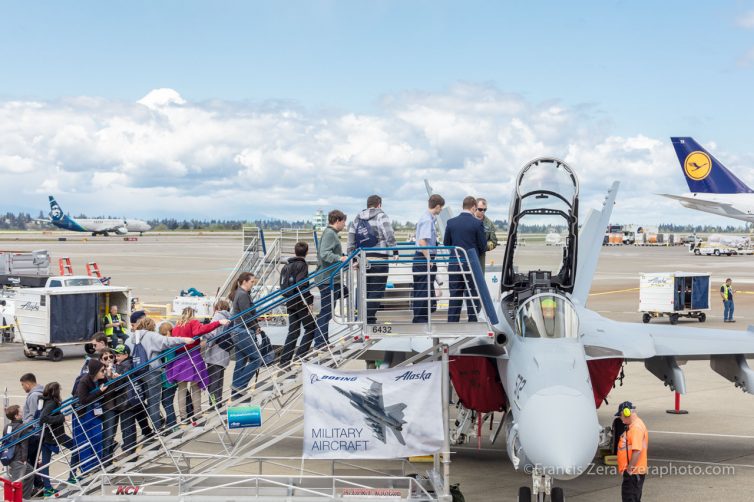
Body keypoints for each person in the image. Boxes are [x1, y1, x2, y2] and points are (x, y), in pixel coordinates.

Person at [126, 316, 193, 432]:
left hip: (138, 372)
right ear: (151, 326)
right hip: (152, 371)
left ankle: (153, 427)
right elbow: (167, 341)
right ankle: (158, 428)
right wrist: (184, 339)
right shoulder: (151, 336)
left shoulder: (132, 337)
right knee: (154, 402)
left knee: (145, 400)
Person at [166, 307, 228, 425]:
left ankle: (183, 417)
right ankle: (197, 414)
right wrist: (218, 322)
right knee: (196, 388)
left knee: (182, 390)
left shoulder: (177, 326)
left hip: (179, 360)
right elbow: (200, 331)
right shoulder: (193, 322)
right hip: (193, 358)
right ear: (193, 314)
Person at [347, 195, 397, 324]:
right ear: (379, 204)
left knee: (365, 290)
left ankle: (364, 318)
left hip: (363, 260)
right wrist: (395, 250)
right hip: (379, 259)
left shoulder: (357, 218)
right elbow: (389, 234)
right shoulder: (381, 215)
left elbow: (351, 240)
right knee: (377, 290)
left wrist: (352, 259)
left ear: (368, 204)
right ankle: (367, 319)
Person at [444, 196, 486, 322]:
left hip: (455, 263)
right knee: (473, 294)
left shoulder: (451, 223)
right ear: (473, 207)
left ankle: (452, 322)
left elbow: (447, 244)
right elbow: (482, 246)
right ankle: (472, 321)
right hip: (471, 264)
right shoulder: (477, 223)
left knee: (455, 294)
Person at [314, 210, 348, 348]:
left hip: (331, 279)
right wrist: (340, 258)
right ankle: (320, 342)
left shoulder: (332, 234)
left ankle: (322, 340)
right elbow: (324, 254)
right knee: (326, 312)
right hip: (327, 279)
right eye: (344, 222)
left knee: (345, 293)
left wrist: (347, 262)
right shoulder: (330, 234)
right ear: (338, 220)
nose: (345, 225)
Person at [279, 242, 316, 367]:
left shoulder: (287, 266)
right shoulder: (302, 265)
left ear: (295, 251)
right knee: (311, 328)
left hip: (290, 301)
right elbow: (301, 284)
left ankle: (284, 361)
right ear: (307, 252)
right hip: (300, 302)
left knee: (293, 332)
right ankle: (300, 356)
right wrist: (309, 301)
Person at [230, 272, 264, 401]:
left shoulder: (240, 294)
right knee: (257, 359)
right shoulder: (243, 295)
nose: (253, 285)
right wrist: (256, 327)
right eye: (252, 282)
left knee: (240, 363)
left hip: (238, 331)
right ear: (244, 281)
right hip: (242, 332)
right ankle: (239, 385)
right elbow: (246, 315)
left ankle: (235, 393)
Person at [38, 382, 76, 495]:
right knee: (76, 448)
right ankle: (72, 476)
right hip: (56, 435)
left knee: (45, 462)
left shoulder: (45, 401)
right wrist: (62, 417)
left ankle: (47, 488)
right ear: (56, 391)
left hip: (47, 435)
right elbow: (43, 418)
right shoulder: (51, 403)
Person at [412, 194, 445, 323]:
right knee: (422, 290)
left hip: (423, 257)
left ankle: (424, 315)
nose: (441, 210)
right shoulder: (427, 220)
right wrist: (428, 259)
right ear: (437, 206)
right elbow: (422, 242)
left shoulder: (428, 219)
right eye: (441, 207)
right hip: (423, 257)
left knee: (425, 288)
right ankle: (420, 319)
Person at [73, 359, 108, 473]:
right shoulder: (84, 381)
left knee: (97, 438)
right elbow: (83, 400)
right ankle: (86, 468)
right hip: (83, 414)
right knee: (84, 442)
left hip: (95, 413)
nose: (104, 372)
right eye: (102, 370)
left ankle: (96, 464)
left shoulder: (102, 379)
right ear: (95, 371)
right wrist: (99, 392)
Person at [616, 401, 648, 502]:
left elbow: (637, 451)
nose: (621, 419)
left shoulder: (635, 428)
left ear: (626, 413)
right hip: (634, 473)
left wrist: (629, 470)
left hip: (633, 473)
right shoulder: (635, 425)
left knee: (630, 499)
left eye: (620, 416)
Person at [203, 301, 232, 407]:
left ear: (217, 307)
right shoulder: (229, 317)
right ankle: (218, 402)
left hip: (214, 354)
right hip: (224, 354)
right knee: (219, 381)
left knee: (213, 382)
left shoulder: (217, 316)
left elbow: (212, 334)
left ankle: (214, 403)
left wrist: (203, 330)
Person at [112, 344, 139, 458]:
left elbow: (120, 382)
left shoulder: (125, 365)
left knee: (127, 426)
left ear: (126, 355)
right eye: (115, 355)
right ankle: (129, 449)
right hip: (125, 400)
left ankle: (129, 450)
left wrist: (115, 373)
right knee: (127, 426)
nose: (116, 357)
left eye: (118, 355)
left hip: (126, 401)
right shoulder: (123, 364)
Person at [3, 405, 33, 499]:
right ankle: (16, 499)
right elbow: (24, 445)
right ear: (16, 416)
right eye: (20, 412)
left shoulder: (7, 427)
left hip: (10, 457)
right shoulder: (22, 427)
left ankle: (24, 497)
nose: (22, 413)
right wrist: (23, 459)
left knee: (30, 471)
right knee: (17, 483)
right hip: (18, 459)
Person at [19, 372, 43, 488]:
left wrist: (23, 425)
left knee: (29, 460)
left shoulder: (34, 396)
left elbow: (34, 416)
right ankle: (38, 485)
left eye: (23, 385)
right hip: (36, 432)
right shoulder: (40, 393)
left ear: (28, 384)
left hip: (33, 433)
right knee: (32, 460)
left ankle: (38, 485)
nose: (23, 387)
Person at [158, 322, 179, 430]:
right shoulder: (174, 343)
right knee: (166, 400)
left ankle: (172, 424)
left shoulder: (169, 345)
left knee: (166, 401)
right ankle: (172, 422)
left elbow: (168, 361)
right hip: (172, 378)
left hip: (169, 378)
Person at [474, 197, 498, 273]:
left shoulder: (489, 223)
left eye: (485, 210)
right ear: (474, 208)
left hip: (481, 255)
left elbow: (493, 242)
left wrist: (484, 246)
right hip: (467, 254)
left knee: (480, 278)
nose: (483, 212)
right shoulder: (468, 220)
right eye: (480, 209)